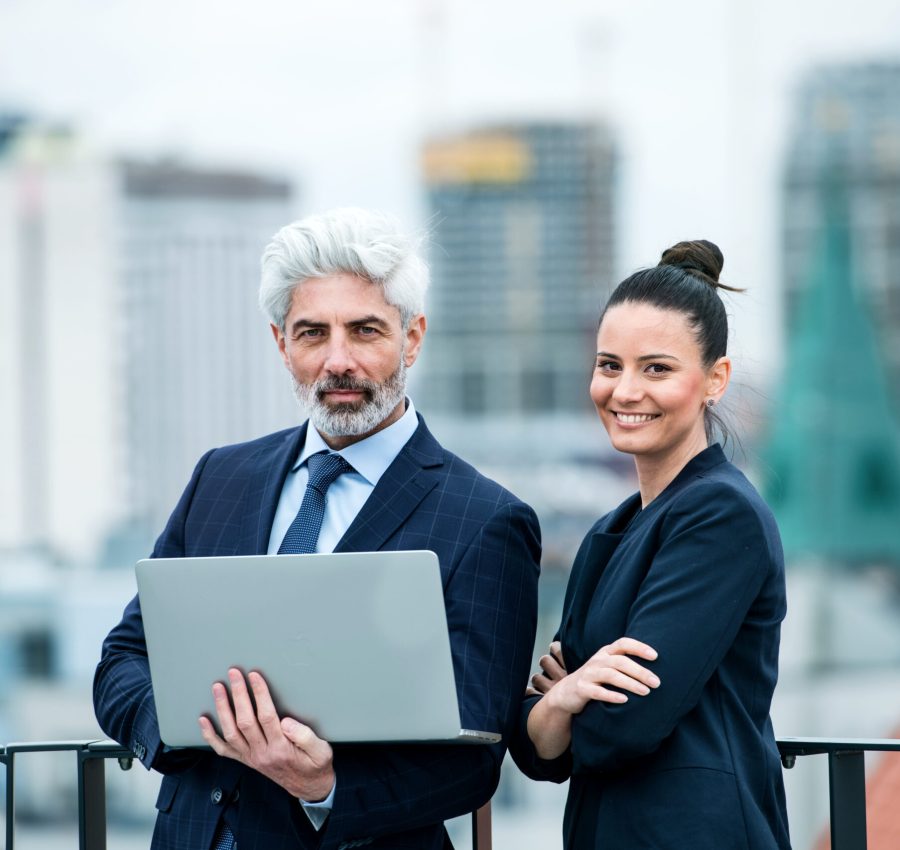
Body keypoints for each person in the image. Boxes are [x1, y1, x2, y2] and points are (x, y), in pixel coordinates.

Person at [93, 207, 541, 850]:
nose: (338, 360)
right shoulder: (220, 479)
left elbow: (473, 758)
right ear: (281, 343)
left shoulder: (486, 520)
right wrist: (190, 727)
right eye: (312, 333)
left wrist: (325, 783)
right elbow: (123, 661)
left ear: (412, 339)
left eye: (364, 331)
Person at [511, 240, 791, 849]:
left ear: (715, 379)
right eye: (609, 365)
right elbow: (534, 753)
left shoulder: (721, 515)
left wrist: (562, 699)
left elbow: (623, 723)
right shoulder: (609, 530)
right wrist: (570, 693)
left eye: (656, 368)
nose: (625, 391)